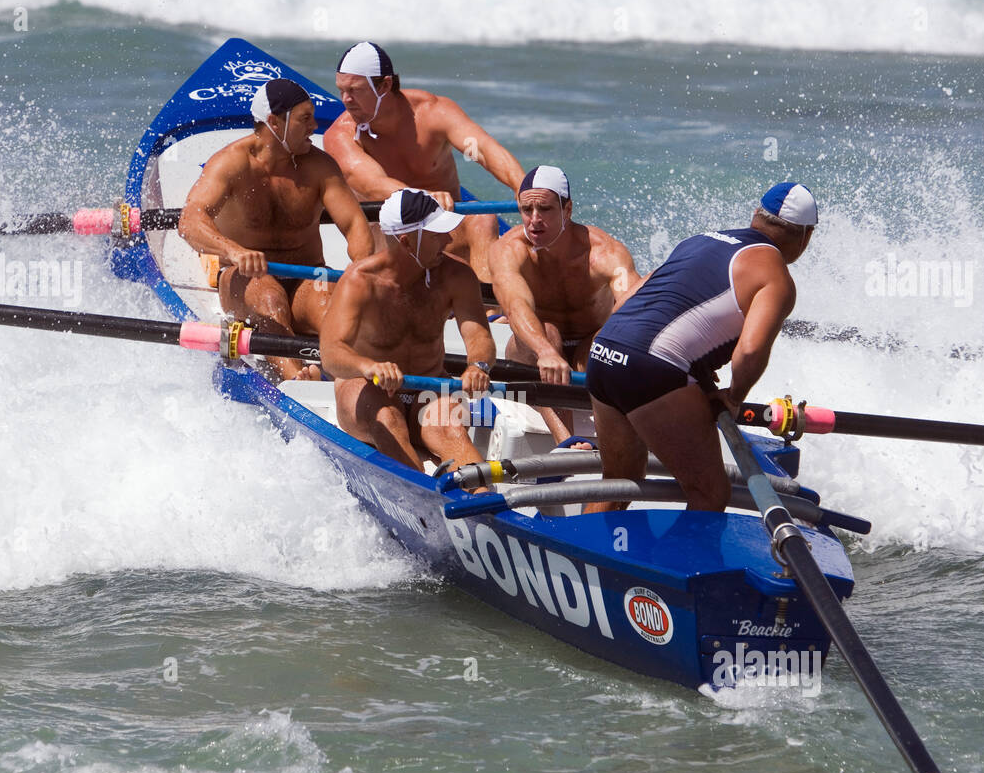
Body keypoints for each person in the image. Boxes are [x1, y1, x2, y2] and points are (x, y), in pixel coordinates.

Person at [583, 182, 819, 513]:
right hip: (650, 370)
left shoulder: (700, 240)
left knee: (619, 479)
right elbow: (749, 353)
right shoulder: (775, 276)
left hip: (605, 349)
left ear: (755, 216)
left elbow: (629, 301)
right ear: (806, 236)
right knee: (709, 493)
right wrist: (734, 398)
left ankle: (590, 552)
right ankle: (673, 564)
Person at [178, 78, 373, 380]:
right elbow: (189, 220)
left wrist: (360, 267)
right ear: (274, 122)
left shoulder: (320, 166)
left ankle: (354, 380)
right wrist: (234, 251)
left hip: (308, 276)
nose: (314, 126)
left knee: (330, 305)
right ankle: (296, 382)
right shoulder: (232, 164)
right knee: (270, 300)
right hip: (246, 278)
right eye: (304, 119)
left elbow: (354, 224)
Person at [320, 189, 496, 473]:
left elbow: (479, 335)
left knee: (450, 430)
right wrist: (369, 366)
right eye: (438, 235)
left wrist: (478, 365)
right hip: (367, 388)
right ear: (406, 241)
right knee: (388, 421)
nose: (449, 240)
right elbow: (330, 354)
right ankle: (424, 502)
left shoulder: (457, 276)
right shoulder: (360, 281)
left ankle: (483, 504)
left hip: (427, 385)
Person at [323, 41, 525, 281]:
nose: (345, 99)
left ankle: (489, 309)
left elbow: (483, 149)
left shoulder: (433, 113)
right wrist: (421, 198)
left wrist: (521, 184)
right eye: (341, 90)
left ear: (385, 85)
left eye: (355, 90)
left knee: (483, 219)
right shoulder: (340, 135)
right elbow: (371, 183)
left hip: (445, 235)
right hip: (393, 242)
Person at [488, 165, 639, 446]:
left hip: (590, 348)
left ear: (567, 209)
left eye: (544, 209)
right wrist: (545, 351)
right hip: (533, 349)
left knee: (601, 343)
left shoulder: (604, 253)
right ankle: (568, 444)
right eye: (526, 210)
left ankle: (611, 437)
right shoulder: (508, 251)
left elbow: (634, 306)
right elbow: (515, 305)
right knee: (549, 334)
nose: (534, 220)